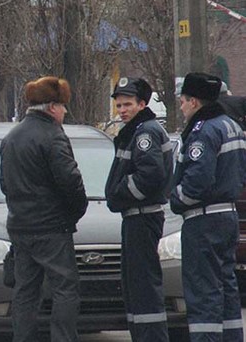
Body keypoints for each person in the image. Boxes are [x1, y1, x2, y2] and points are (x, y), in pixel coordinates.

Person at [0, 76, 88, 342]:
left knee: (25, 291)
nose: (64, 112)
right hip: (52, 229)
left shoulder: (11, 138)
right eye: (62, 107)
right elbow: (70, 182)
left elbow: (5, 184)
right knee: (65, 290)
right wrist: (75, 212)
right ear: (51, 107)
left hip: (20, 227)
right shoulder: (53, 137)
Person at [171, 72, 245, 342]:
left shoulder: (204, 131)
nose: (180, 106)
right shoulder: (231, 125)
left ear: (194, 101)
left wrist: (177, 199)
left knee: (203, 291)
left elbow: (197, 181)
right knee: (226, 286)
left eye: (183, 101)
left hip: (203, 221)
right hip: (228, 216)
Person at [104, 77, 173, 342]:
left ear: (142, 104)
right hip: (136, 218)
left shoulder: (144, 132)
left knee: (144, 286)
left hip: (142, 218)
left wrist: (119, 194)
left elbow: (150, 176)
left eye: (128, 104)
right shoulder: (135, 130)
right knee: (135, 285)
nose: (122, 110)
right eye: (119, 105)